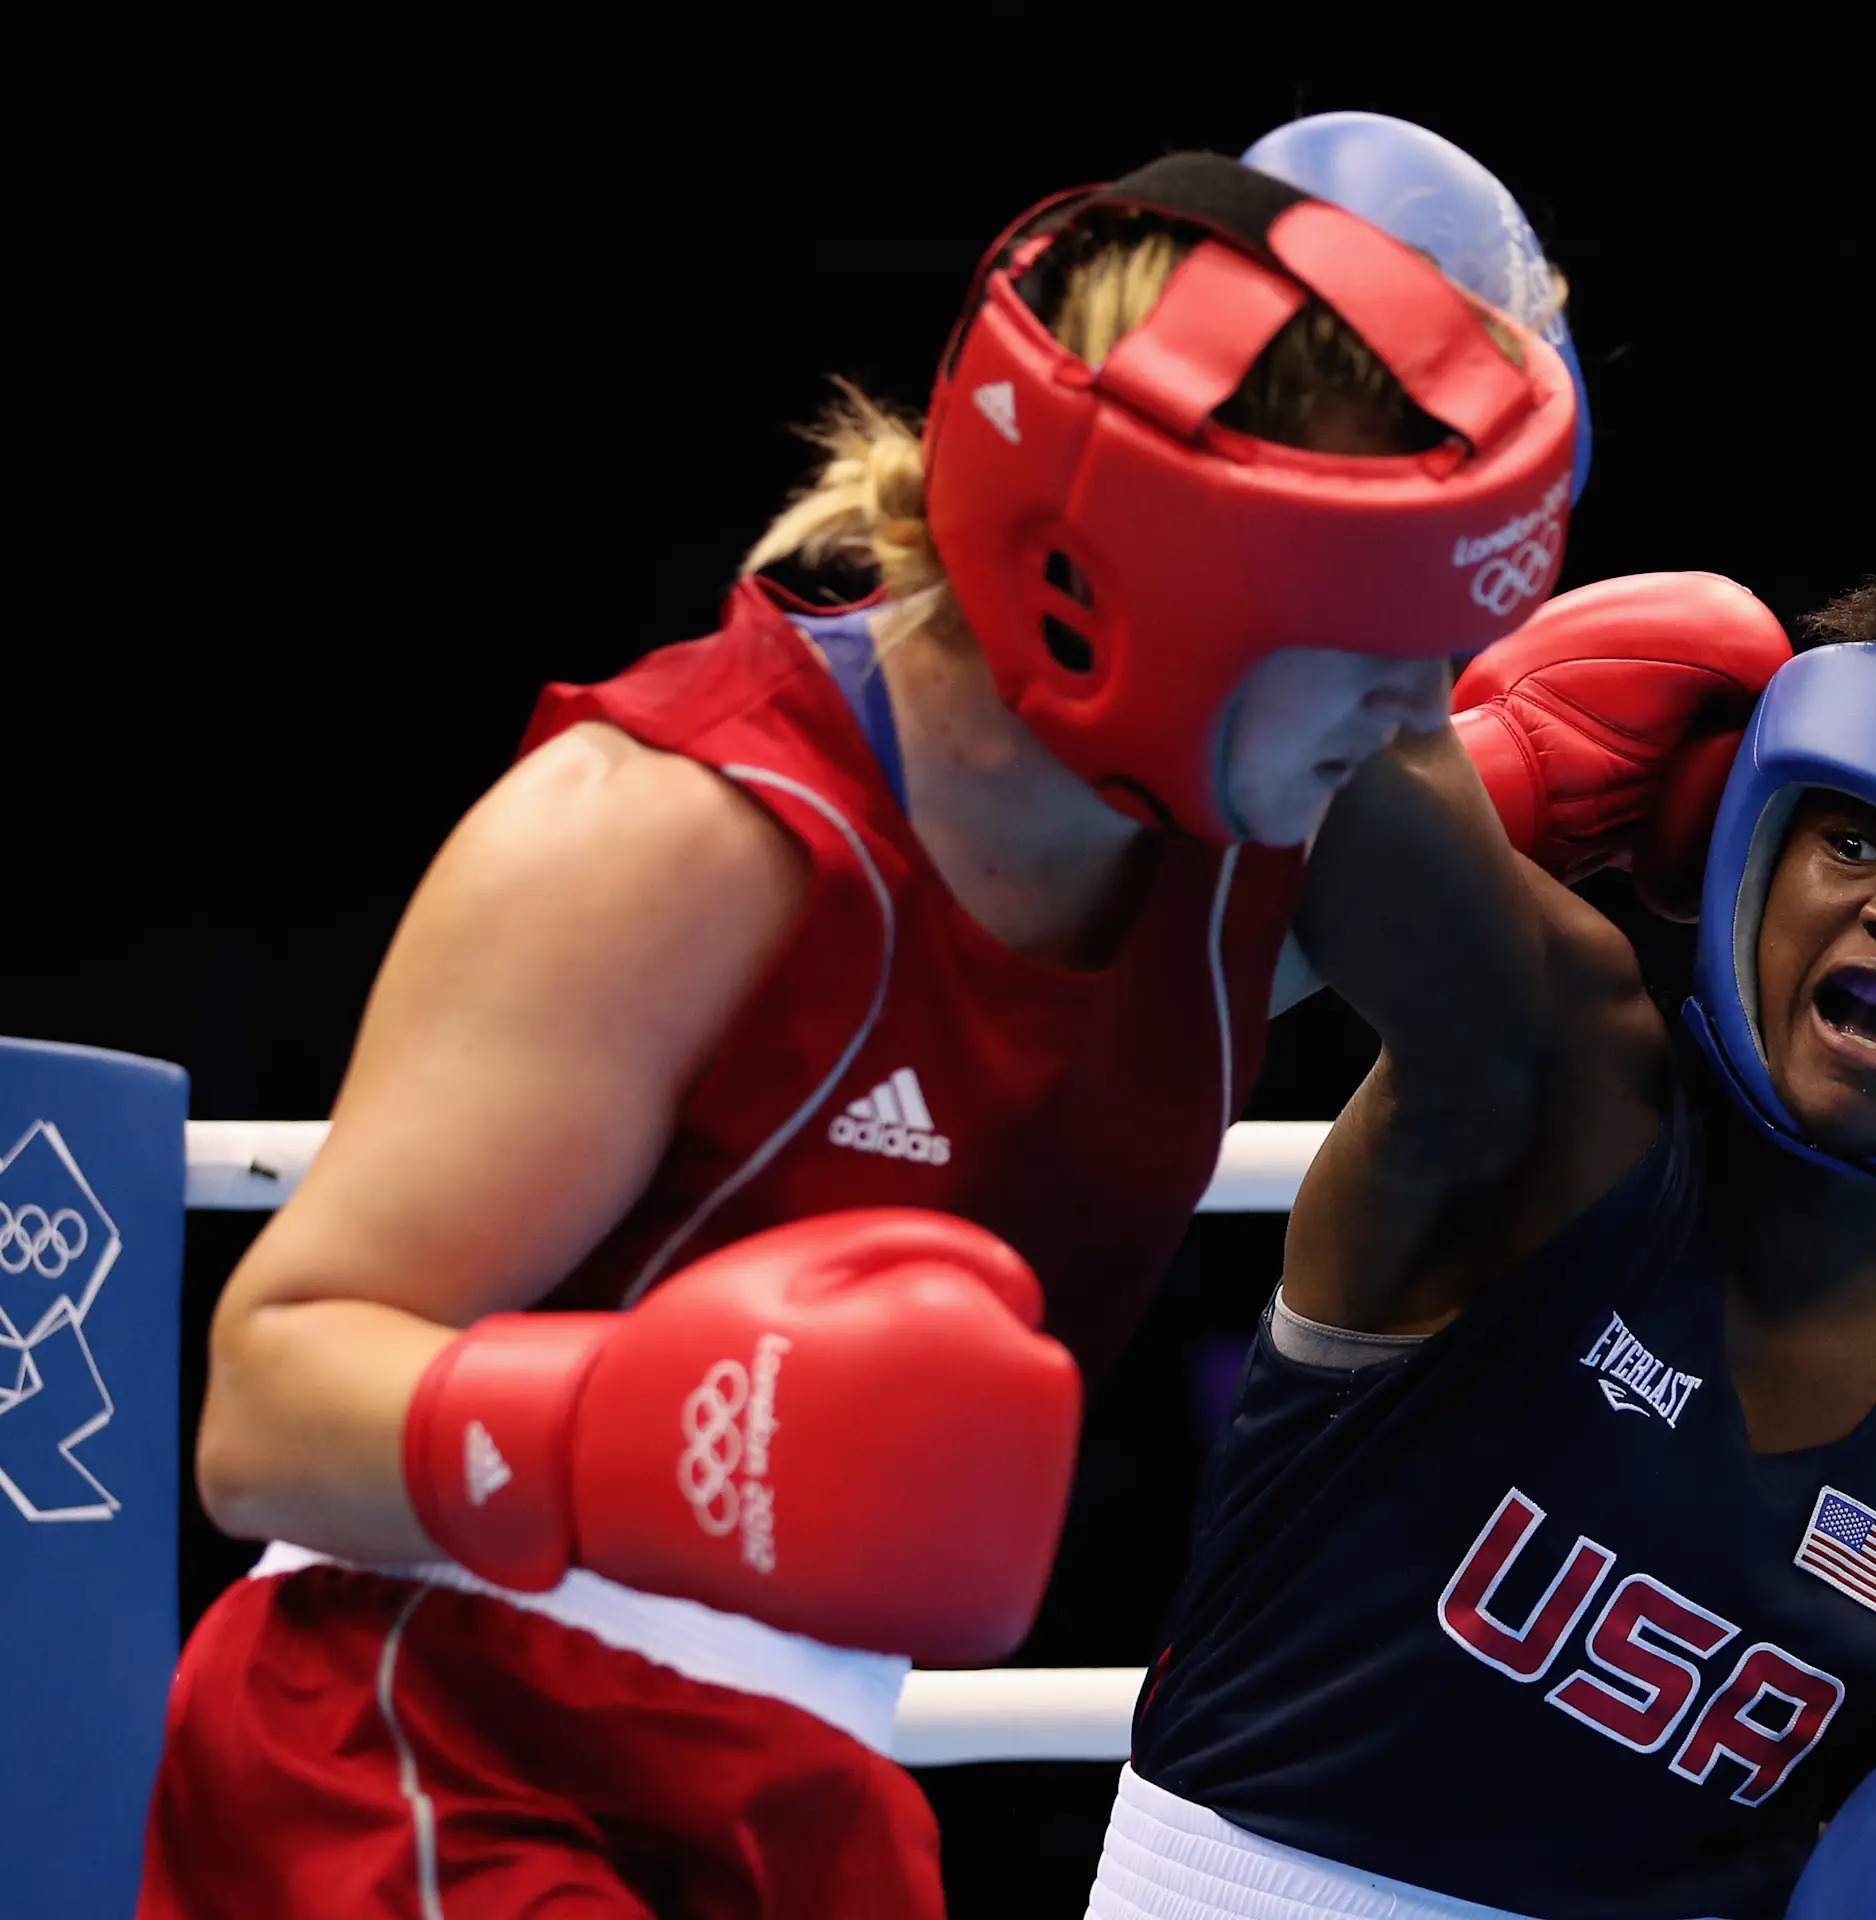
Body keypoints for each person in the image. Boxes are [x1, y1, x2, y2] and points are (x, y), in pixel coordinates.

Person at [135, 148, 1761, 1918]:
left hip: (800, 1783)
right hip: (426, 1738)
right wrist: (639, 1430)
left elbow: (1491, 1028)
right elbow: (261, 1399)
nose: (1414, 702)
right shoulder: (675, 838)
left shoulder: (1254, 836)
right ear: (1154, 583)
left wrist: (1530, 772)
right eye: (1377, 636)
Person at [1093, 578, 1876, 1919]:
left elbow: (1852, 1821)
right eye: (1854, 843)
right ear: (1752, 845)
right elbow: (1257, 712)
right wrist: (1510, 770)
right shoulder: (1552, 1084)